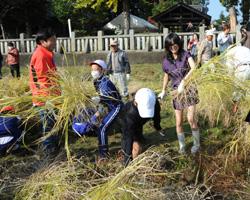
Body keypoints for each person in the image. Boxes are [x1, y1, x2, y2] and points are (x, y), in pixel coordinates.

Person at [158, 33, 200, 154]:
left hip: (189, 89)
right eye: (170, 45)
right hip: (176, 92)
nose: (173, 47)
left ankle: (196, 144)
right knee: (179, 122)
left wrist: (184, 82)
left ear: (178, 43)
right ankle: (182, 146)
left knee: (191, 118)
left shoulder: (186, 54)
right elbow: (166, 75)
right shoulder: (166, 60)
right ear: (167, 46)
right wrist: (163, 90)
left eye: (174, 44)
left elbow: (194, 67)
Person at [29, 29, 61, 154]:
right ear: (43, 41)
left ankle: (54, 150)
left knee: (53, 126)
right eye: (52, 40)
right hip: (45, 99)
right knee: (49, 128)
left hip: (51, 97)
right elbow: (42, 80)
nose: (55, 42)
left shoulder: (46, 53)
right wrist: (49, 99)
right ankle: (49, 155)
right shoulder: (41, 55)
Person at [119, 88, 163, 165]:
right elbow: (128, 136)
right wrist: (127, 160)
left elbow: (156, 117)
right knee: (129, 143)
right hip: (126, 123)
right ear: (135, 103)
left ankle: (140, 140)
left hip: (138, 122)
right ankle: (126, 159)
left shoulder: (154, 104)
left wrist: (158, 127)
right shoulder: (129, 113)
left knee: (140, 141)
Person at [90, 59, 123, 160]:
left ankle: (103, 155)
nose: (93, 72)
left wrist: (99, 99)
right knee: (98, 125)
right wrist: (98, 112)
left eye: (96, 69)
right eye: (92, 70)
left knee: (102, 128)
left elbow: (111, 98)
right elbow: (102, 101)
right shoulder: (96, 82)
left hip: (116, 107)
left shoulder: (106, 82)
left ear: (103, 70)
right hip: (108, 107)